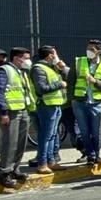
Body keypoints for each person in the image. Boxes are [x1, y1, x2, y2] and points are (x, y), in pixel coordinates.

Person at [0, 47, 35, 189]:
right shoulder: (4, 71)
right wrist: (3, 113)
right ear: (16, 58)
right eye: (26, 58)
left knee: (21, 143)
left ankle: (15, 169)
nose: (28, 61)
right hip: (10, 113)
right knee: (10, 143)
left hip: (23, 110)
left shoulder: (21, 72)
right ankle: (4, 173)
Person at [68, 39, 101, 166]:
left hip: (96, 103)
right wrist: (72, 98)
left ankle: (97, 154)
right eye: (88, 49)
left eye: (92, 50)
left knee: (95, 131)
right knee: (84, 131)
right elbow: (71, 82)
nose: (89, 52)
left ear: (99, 51)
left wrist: (95, 81)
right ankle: (90, 155)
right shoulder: (78, 62)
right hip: (79, 102)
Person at [31, 45, 70, 174]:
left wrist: (61, 66)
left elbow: (68, 75)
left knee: (53, 135)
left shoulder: (52, 68)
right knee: (46, 135)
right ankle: (42, 163)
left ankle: (51, 161)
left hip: (56, 105)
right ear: (50, 56)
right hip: (46, 105)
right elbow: (41, 88)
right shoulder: (39, 69)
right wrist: (60, 84)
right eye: (55, 54)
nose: (56, 57)